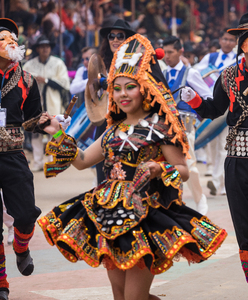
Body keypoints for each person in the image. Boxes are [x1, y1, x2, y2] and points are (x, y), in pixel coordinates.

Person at [37, 33, 227, 300]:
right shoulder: (112, 131)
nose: (123, 94)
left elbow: (183, 171)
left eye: (130, 87)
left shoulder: (160, 128)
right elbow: (80, 162)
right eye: (117, 88)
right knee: (120, 296)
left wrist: (160, 170)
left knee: (133, 298)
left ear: (144, 88)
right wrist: (57, 134)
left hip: (144, 219)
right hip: (107, 216)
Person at [183, 11, 248, 300]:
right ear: (243, 45)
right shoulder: (228, 76)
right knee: (245, 231)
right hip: (237, 161)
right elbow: (213, 110)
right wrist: (192, 99)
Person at [0, 18, 44, 300]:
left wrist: (51, 123)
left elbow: (34, 120)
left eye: (14, 37)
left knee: (27, 214)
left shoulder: (27, 80)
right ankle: (2, 284)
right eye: (4, 38)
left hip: (14, 155)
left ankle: (21, 247)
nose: (11, 41)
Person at [162, 36, 211, 214]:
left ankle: (200, 199)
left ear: (180, 51)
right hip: (164, 127)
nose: (166, 56)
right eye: (164, 52)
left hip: (186, 125)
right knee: (168, 165)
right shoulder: (162, 75)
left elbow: (207, 97)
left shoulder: (191, 73)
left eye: (170, 52)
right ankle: (175, 203)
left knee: (189, 164)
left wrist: (197, 111)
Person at [196, 29, 238, 196]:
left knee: (223, 145)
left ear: (235, 43)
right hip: (211, 106)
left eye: (231, 40)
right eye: (225, 39)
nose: (227, 42)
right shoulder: (210, 58)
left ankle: (218, 182)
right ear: (220, 39)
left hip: (229, 108)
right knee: (212, 145)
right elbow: (197, 74)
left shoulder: (238, 60)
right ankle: (215, 177)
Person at [94, 19, 135, 185]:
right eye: (112, 36)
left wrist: (110, 83)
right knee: (100, 162)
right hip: (105, 119)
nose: (115, 40)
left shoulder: (136, 61)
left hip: (129, 119)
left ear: (127, 40)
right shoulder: (100, 63)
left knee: (127, 164)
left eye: (120, 36)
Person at [23, 35, 71, 172]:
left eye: (47, 46)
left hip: (53, 102)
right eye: (42, 46)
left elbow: (64, 84)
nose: (45, 49)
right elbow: (23, 82)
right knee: (35, 132)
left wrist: (47, 80)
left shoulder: (58, 63)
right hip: (35, 104)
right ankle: (37, 162)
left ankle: (53, 161)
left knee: (54, 131)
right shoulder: (29, 65)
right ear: (37, 49)